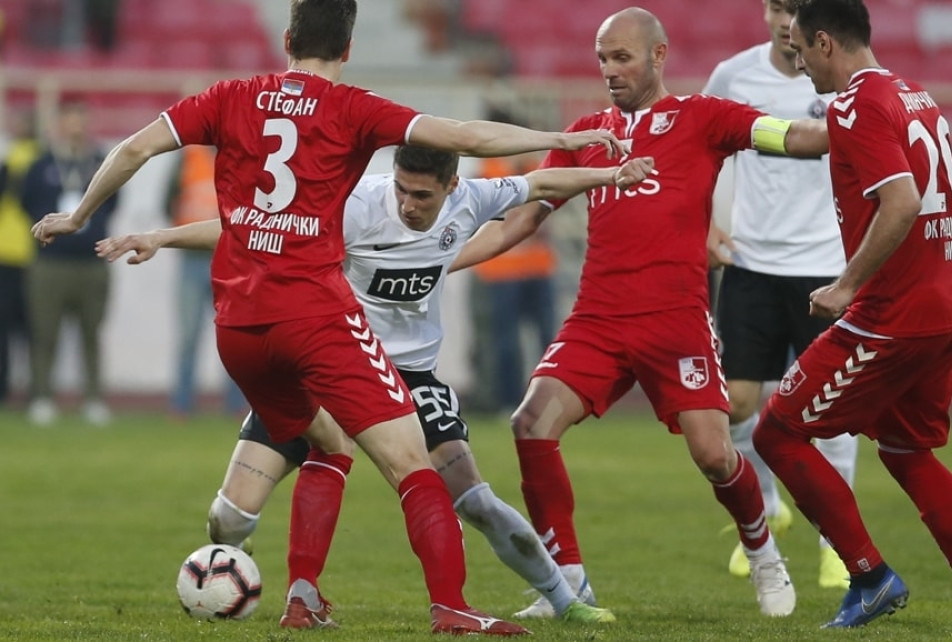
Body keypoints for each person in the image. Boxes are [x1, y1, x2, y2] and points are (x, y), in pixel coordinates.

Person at [30, 0, 625, 634]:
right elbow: (469, 137)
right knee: (408, 465)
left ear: (286, 37)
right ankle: (451, 608)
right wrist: (558, 137)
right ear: (347, 48)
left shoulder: (230, 95)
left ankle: (307, 596)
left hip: (241, 328)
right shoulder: (354, 117)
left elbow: (134, 146)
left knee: (309, 466)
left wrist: (81, 216)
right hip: (316, 324)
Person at [98, 144, 654, 626]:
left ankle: (565, 597)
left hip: (411, 375)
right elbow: (246, 227)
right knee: (229, 518)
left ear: (452, 187)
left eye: (423, 197)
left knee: (476, 500)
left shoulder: (473, 199)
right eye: (405, 192)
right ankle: (225, 575)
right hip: (330, 361)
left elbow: (542, 181)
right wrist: (160, 237)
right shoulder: (356, 203)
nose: (410, 205)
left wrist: (610, 176)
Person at [449, 6, 829, 620]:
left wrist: (858, 126)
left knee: (713, 453)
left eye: (620, 57)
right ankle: (568, 582)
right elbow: (521, 219)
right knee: (530, 423)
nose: (609, 71)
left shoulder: (703, 119)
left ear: (658, 55)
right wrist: (443, 263)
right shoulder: (589, 135)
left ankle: (762, 551)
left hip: (675, 320)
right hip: (598, 318)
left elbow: (789, 137)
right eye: (602, 59)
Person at [752, 0, 952, 628]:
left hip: (894, 315)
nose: (800, 63)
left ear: (826, 43)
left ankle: (869, 576)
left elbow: (903, 200)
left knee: (776, 432)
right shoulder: (915, 95)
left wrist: (845, 286)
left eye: (801, 49)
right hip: (949, 305)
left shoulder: (856, 104)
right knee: (907, 450)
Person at [702, 0, 856, 589]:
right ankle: (765, 511)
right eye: (776, 6)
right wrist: (708, 225)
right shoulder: (734, 76)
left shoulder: (844, 80)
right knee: (738, 404)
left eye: (795, 8)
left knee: (831, 412)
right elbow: (705, 150)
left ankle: (836, 543)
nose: (782, 20)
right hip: (751, 264)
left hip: (826, 268)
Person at [22, 98, 117, 426]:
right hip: (50, 263)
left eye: (81, 119)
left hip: (92, 262)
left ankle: (93, 398)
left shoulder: (100, 163)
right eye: (70, 119)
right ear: (59, 124)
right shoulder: (41, 164)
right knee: (45, 332)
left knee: (92, 333)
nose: (76, 126)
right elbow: (27, 204)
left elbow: (113, 201)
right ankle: (43, 397)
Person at [162, 145, 246, 418]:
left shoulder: (240, 154)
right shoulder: (187, 157)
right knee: (189, 336)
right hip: (193, 259)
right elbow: (167, 202)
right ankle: (182, 404)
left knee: (234, 335)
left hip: (231, 260)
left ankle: (236, 404)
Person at [472, 148, 558, 414]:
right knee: (506, 341)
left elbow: (545, 219)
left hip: (537, 267)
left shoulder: (536, 167)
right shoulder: (489, 171)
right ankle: (509, 400)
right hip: (501, 271)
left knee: (549, 337)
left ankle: (554, 399)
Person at [0, 111, 41, 405]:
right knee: (32, 329)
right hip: (27, 252)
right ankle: (35, 391)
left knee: (12, 328)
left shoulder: (14, 161)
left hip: (17, 253)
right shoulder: (39, 160)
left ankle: (11, 389)